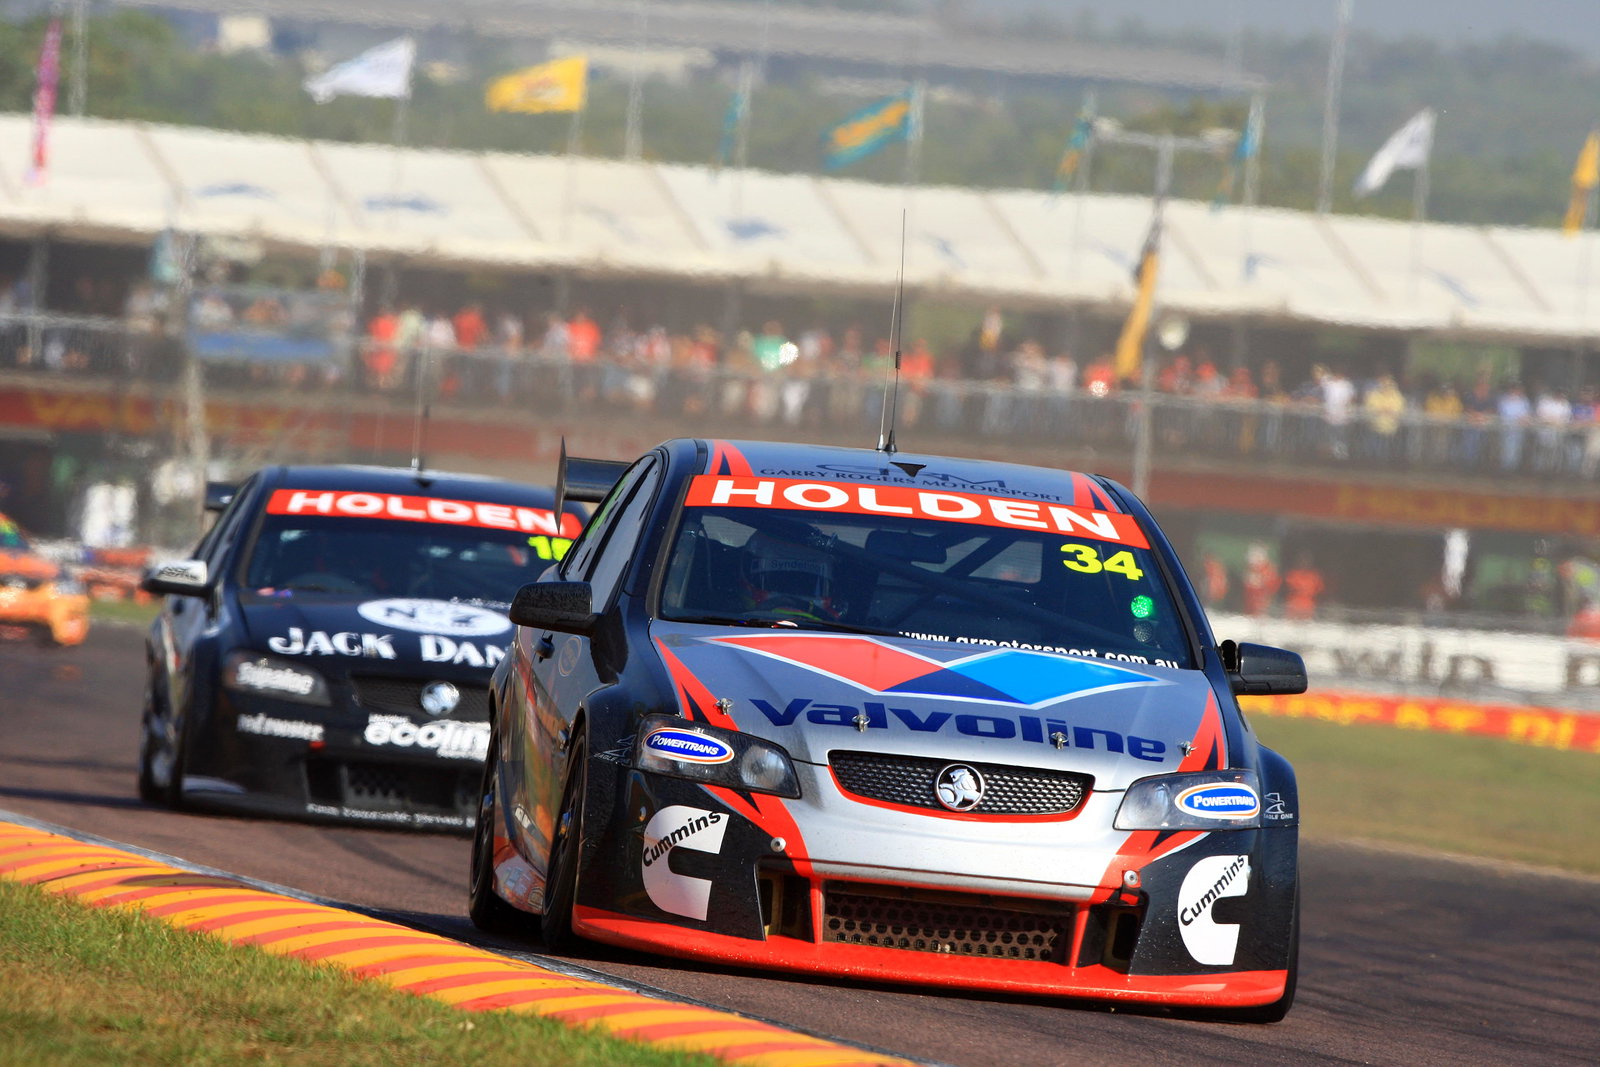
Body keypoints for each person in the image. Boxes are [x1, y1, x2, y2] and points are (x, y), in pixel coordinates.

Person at [738, 528, 843, 622]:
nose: (791, 599)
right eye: (779, 581)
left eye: (807, 583)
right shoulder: (724, 617)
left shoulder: (844, 631)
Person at [1282, 552, 1326, 620]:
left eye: (1306, 561)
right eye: (1301, 560)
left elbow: (1320, 592)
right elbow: (1287, 589)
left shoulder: (1315, 576)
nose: (1304, 563)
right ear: (1298, 562)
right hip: (1293, 606)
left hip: (1309, 607)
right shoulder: (1292, 574)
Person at [1242, 542, 1280, 616]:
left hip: (1263, 606)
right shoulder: (1249, 570)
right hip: (1249, 605)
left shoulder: (1269, 570)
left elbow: (1272, 586)